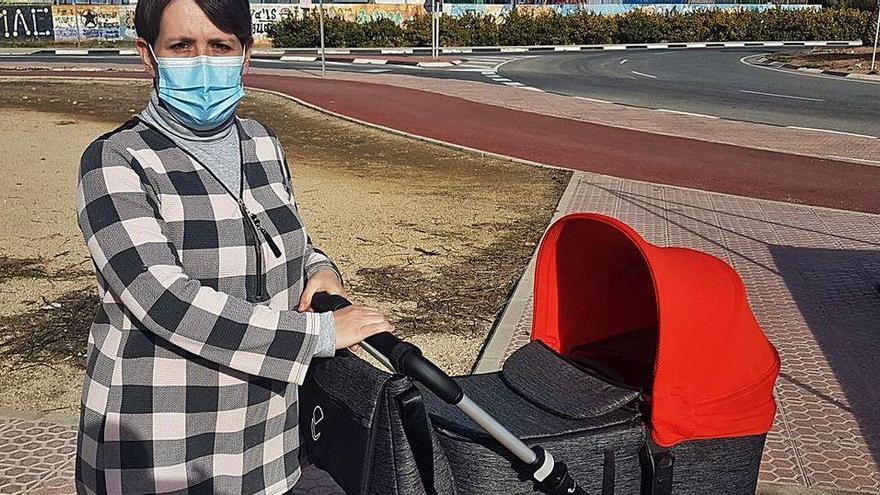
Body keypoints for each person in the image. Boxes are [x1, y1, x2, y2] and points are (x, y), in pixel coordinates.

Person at [74, 0, 394, 493]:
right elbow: (165, 300)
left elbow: (287, 238)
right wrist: (320, 335)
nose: (203, 62)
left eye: (220, 46)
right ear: (148, 55)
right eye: (181, 46)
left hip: (265, 437)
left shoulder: (262, 143)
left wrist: (320, 268)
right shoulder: (115, 159)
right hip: (163, 444)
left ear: (245, 55)